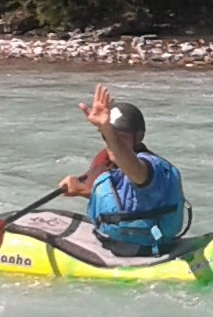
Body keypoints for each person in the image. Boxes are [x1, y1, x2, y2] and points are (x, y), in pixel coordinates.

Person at [59, 84, 191, 256]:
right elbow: (123, 200)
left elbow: (135, 172)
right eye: (107, 137)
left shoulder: (151, 166)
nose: (112, 144)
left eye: (121, 137)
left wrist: (107, 128)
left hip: (145, 250)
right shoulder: (104, 160)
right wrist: (80, 189)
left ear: (139, 138)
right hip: (114, 243)